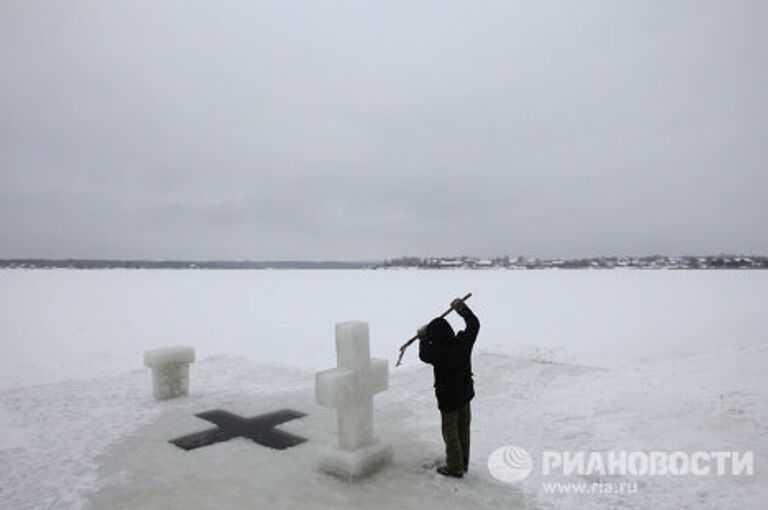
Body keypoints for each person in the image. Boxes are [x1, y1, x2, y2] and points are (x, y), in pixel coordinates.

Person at [417, 297, 480, 478]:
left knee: (451, 434)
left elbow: (423, 354)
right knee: (463, 429)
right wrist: (462, 309)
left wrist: (422, 338)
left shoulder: (436, 353)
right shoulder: (463, 343)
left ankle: (455, 467)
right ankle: (463, 463)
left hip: (448, 400)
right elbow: (474, 325)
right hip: (465, 394)